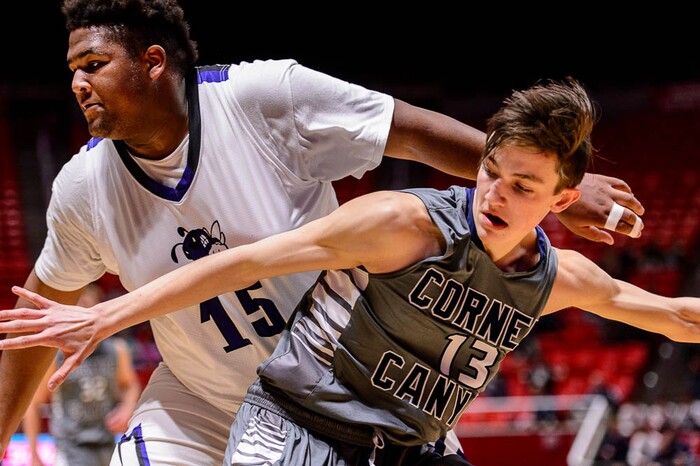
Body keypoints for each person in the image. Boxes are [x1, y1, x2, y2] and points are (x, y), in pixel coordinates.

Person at [0, 0, 646, 462]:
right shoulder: (82, 188)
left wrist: (555, 191)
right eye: (72, 70)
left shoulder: (265, 96)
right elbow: (36, 321)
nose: (78, 83)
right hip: (197, 399)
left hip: (344, 402)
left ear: (152, 62)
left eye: (93, 64)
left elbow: (414, 130)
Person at [22, 283, 141, 466]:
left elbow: (130, 385)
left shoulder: (116, 349)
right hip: (70, 445)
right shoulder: (55, 355)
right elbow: (33, 403)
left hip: (106, 441)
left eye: (87, 306)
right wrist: (33, 453)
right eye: (77, 307)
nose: (81, 313)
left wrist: (127, 407)